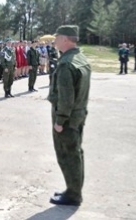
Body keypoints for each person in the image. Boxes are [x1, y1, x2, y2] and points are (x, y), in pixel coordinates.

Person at [47, 25, 91, 206]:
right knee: (75, 153)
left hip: (67, 118)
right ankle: (73, 190)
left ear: (65, 39)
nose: (54, 40)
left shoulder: (66, 64)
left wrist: (60, 121)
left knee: (67, 155)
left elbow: (66, 98)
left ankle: (73, 195)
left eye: (57, 37)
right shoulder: (80, 58)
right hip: (78, 114)